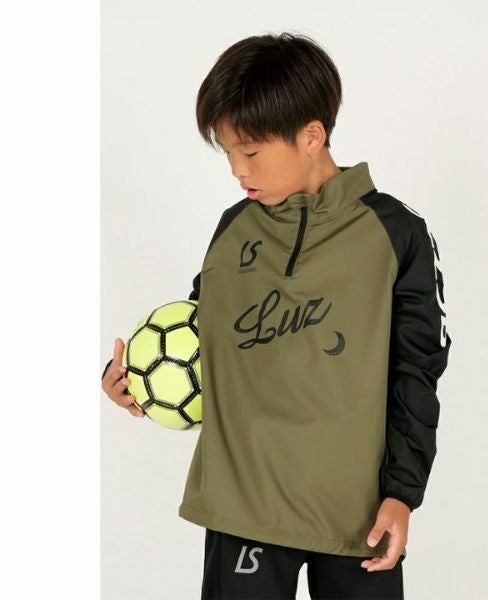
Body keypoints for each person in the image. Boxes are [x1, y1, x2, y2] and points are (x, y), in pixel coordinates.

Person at [101, 31, 452, 600]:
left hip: (357, 512)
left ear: (311, 136)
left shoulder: (396, 233)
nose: (237, 171)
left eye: (251, 152)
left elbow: (417, 370)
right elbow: (199, 337)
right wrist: (134, 380)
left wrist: (402, 493)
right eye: (228, 153)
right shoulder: (234, 227)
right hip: (244, 508)